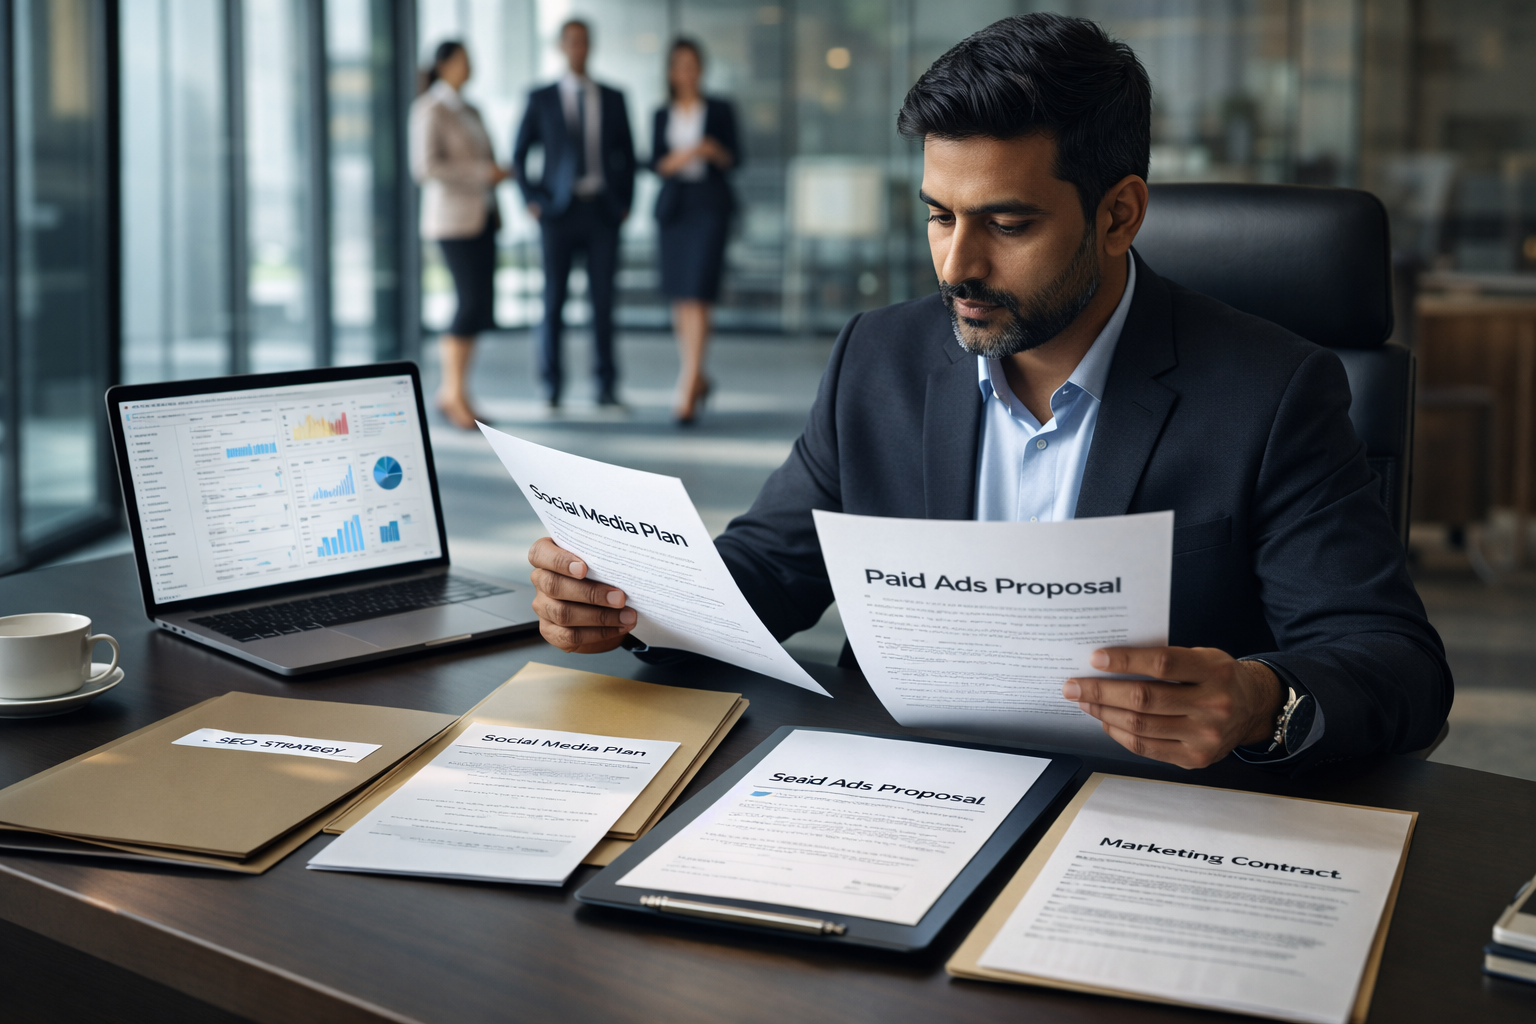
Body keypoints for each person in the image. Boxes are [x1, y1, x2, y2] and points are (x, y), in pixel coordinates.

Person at [520, 14, 1453, 774]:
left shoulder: (1272, 392)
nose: (957, 266)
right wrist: (630, 600)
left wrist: (1258, 702)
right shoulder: (879, 358)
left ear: (1119, 214)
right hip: (896, 789)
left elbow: (1395, 665)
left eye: (1007, 224)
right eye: (940, 216)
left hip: (1134, 816)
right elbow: (769, 569)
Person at [512, 19, 637, 410]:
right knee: (554, 302)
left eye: (583, 41)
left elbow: (628, 154)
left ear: (590, 46)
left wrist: (625, 202)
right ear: (561, 47)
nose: (577, 48)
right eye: (571, 42)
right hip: (557, 214)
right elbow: (519, 154)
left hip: (602, 211)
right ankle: (550, 386)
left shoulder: (613, 97)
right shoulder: (541, 97)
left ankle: (605, 386)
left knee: (604, 303)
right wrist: (532, 199)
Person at [409, 41, 508, 430]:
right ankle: (451, 391)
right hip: (451, 221)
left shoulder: (471, 109)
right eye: (464, 61)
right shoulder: (429, 109)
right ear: (443, 65)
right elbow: (425, 167)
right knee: (468, 302)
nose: (470, 67)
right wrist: (481, 173)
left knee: (479, 304)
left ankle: (459, 391)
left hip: (482, 217)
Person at [650, 38, 740, 425]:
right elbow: (655, 162)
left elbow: (735, 157)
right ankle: (695, 374)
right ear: (671, 72)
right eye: (680, 65)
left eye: (693, 64)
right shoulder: (661, 113)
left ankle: (687, 383)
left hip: (709, 207)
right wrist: (688, 152)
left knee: (699, 293)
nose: (687, 72)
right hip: (674, 209)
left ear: (701, 69)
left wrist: (711, 150)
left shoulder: (720, 109)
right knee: (680, 296)